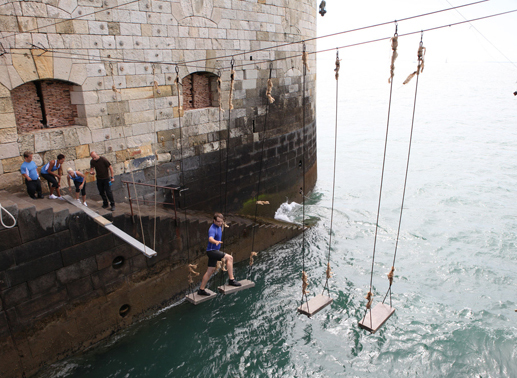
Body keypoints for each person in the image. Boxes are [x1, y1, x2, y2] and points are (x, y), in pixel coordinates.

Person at [197, 213, 241, 296]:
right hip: (212, 251)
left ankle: (201, 290)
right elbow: (210, 238)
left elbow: (221, 227)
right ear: (214, 221)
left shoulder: (219, 226)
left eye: (221, 221)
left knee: (210, 271)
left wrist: (222, 224)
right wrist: (216, 242)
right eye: (218, 222)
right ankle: (231, 280)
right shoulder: (212, 229)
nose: (220, 223)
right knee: (229, 258)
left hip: (213, 251)